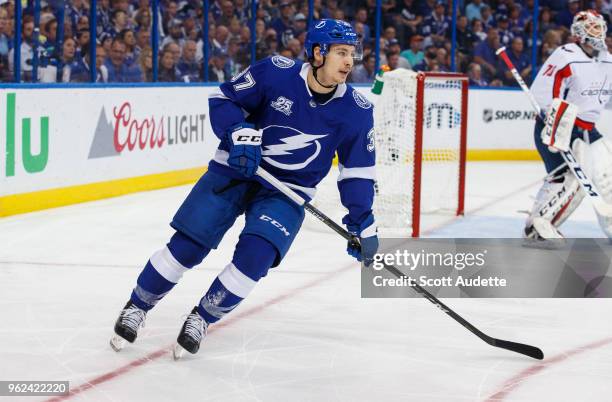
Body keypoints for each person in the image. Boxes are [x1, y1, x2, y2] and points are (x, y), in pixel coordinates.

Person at [110, 19, 378, 358]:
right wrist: (239, 133)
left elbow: (357, 172)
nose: (349, 62)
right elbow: (224, 100)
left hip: (287, 191)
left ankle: (202, 317)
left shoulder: (356, 111)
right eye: (341, 52)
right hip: (235, 170)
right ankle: (138, 305)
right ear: (316, 53)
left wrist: (363, 220)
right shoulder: (275, 72)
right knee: (188, 246)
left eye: (352, 53)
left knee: (256, 258)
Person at [525, 10, 612, 242]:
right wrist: (554, 124)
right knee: (569, 181)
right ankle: (538, 227)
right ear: (579, 32)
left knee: (607, 176)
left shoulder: (607, 60)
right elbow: (542, 92)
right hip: (559, 128)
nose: (599, 31)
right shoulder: (565, 55)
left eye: (600, 26)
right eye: (592, 27)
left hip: (589, 131)